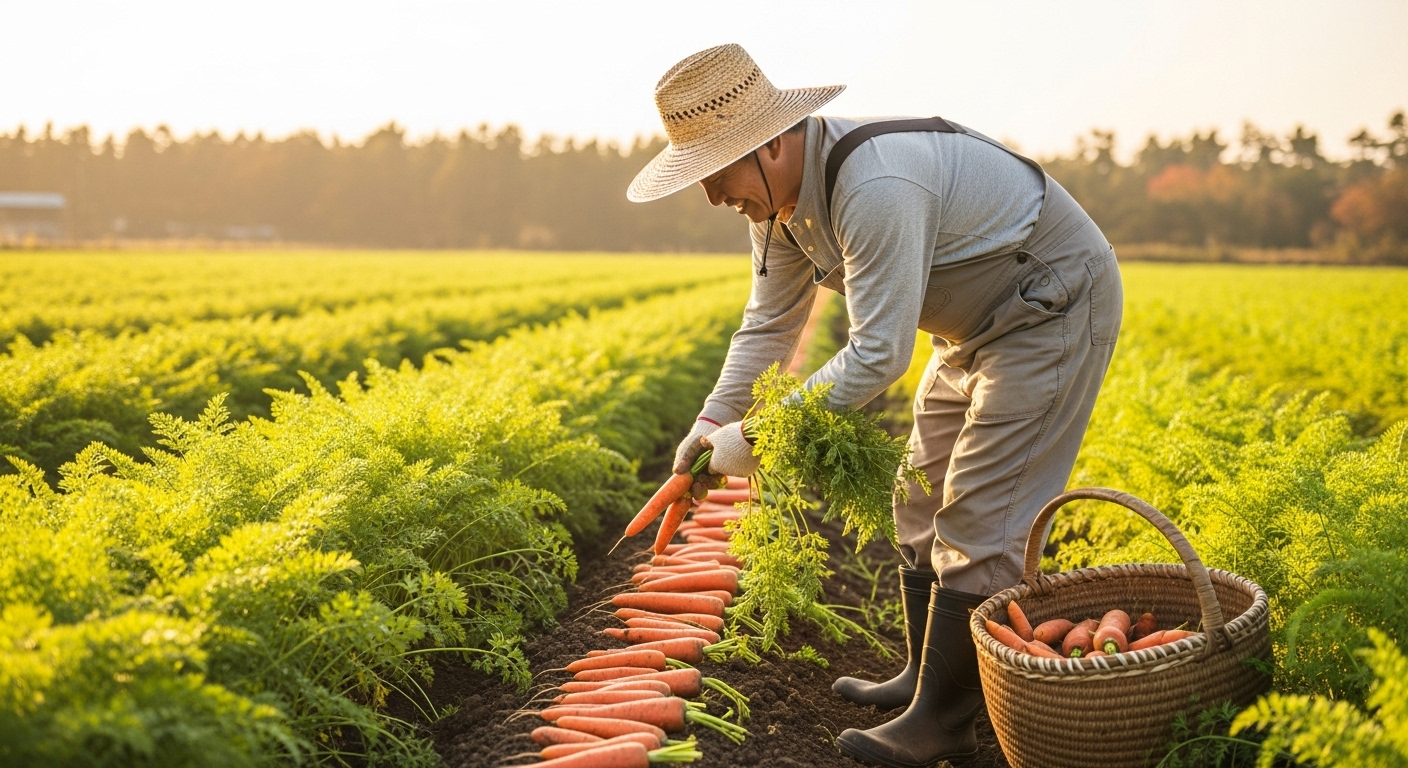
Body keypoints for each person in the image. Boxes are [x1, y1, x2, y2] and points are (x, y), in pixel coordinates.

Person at [627, 44, 1122, 768]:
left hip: (1047, 307)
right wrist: (709, 425)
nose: (710, 197)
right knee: (917, 497)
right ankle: (925, 680)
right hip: (970, 329)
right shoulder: (777, 204)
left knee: (981, 515)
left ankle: (947, 722)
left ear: (767, 144)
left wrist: (759, 437)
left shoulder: (875, 183)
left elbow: (880, 354)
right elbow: (769, 325)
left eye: (715, 173)